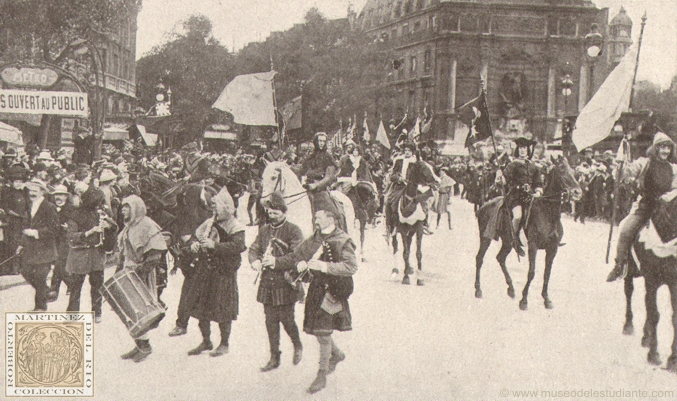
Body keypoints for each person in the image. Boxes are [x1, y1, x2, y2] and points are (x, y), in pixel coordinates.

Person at [274, 204, 357, 394]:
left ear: (331, 218)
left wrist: (323, 266)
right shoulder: (315, 238)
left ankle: (321, 375)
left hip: (333, 290)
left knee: (324, 332)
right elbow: (296, 255)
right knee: (320, 331)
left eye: (318, 217)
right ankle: (336, 354)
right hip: (316, 290)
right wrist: (283, 263)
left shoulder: (342, 240)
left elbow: (351, 267)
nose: (315, 220)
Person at [184, 188, 246, 357]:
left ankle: (224, 343)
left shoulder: (235, 226)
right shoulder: (210, 221)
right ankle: (206, 340)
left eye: (217, 206)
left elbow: (238, 246)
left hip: (223, 271)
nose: (214, 210)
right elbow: (195, 236)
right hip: (206, 269)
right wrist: (194, 244)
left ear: (226, 207)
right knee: (202, 306)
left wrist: (215, 246)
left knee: (223, 308)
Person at [607, 132, 677, 281]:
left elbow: (675, 187)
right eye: (662, 147)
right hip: (645, 207)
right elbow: (626, 173)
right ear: (655, 148)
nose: (665, 151)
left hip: (665, 209)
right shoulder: (644, 163)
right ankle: (620, 265)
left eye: (668, 148)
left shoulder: (673, 168)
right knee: (625, 229)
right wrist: (621, 165)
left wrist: (669, 196)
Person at [249, 191, 305, 372]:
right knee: (270, 321)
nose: (271, 216)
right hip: (268, 283)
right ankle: (274, 356)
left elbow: (297, 255)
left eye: (275, 213)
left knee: (287, 319)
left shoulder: (294, 230)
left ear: (283, 211)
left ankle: (297, 345)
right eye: (269, 213)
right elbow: (254, 248)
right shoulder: (265, 230)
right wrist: (255, 261)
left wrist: (276, 262)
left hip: (285, 282)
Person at [117, 195, 167, 362]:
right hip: (129, 271)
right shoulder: (129, 226)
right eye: (122, 207)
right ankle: (139, 344)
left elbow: (156, 253)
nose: (123, 209)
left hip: (141, 273)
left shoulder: (147, 225)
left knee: (140, 309)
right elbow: (124, 252)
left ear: (136, 208)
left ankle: (145, 347)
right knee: (130, 310)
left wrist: (141, 270)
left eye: (127, 207)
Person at [65, 186, 117, 323]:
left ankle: (97, 312)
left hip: (96, 254)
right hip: (80, 255)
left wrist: (109, 227)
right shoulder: (75, 215)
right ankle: (72, 315)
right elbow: (70, 236)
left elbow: (114, 227)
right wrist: (87, 233)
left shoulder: (101, 213)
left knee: (97, 287)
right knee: (75, 288)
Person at [496, 137, 543, 257]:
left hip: (530, 197)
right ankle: (514, 239)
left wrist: (538, 191)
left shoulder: (533, 166)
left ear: (528, 150)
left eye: (525, 148)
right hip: (515, 197)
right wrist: (501, 177)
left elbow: (538, 183)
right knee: (518, 216)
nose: (523, 151)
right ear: (518, 150)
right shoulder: (513, 164)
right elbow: (504, 181)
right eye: (521, 148)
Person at [18, 179, 58, 311]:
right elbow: (25, 225)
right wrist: (21, 244)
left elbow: (54, 229)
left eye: (35, 191)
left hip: (44, 249)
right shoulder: (29, 206)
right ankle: (47, 291)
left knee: (40, 276)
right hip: (30, 248)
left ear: (42, 192)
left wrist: (36, 232)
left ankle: (40, 307)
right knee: (25, 271)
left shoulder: (49, 207)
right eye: (30, 191)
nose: (32, 193)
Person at [298, 132, 344, 229]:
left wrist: (317, 185)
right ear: (315, 141)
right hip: (306, 187)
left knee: (335, 213)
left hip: (320, 190)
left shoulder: (328, 157)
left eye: (323, 141)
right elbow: (301, 171)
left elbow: (329, 177)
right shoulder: (310, 157)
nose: (321, 143)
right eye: (319, 141)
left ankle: (339, 232)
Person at [47, 185, 75, 302]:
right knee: (59, 265)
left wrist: (69, 227)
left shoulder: (71, 208)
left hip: (66, 240)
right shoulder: (51, 208)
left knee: (59, 263)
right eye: (56, 195)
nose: (58, 197)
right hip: (54, 240)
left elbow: (75, 223)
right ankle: (71, 285)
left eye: (61, 195)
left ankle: (54, 290)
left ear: (66, 196)